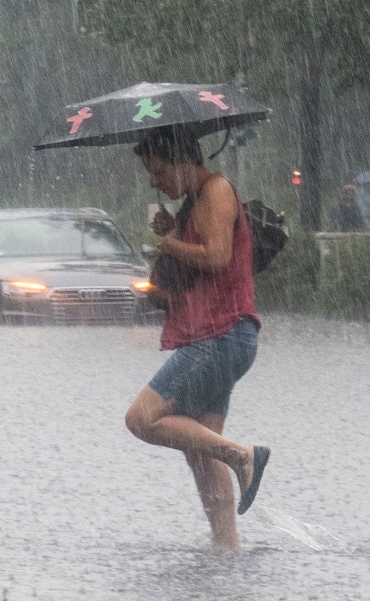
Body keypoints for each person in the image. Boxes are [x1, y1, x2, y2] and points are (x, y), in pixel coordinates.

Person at [125, 129, 271, 550]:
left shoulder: (217, 190)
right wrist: (176, 229)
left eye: (158, 171)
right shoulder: (195, 204)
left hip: (220, 336)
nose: (155, 182)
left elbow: (217, 255)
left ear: (183, 161)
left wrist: (169, 243)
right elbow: (204, 254)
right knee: (201, 450)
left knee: (141, 419)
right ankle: (225, 546)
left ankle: (243, 455)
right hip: (216, 335)